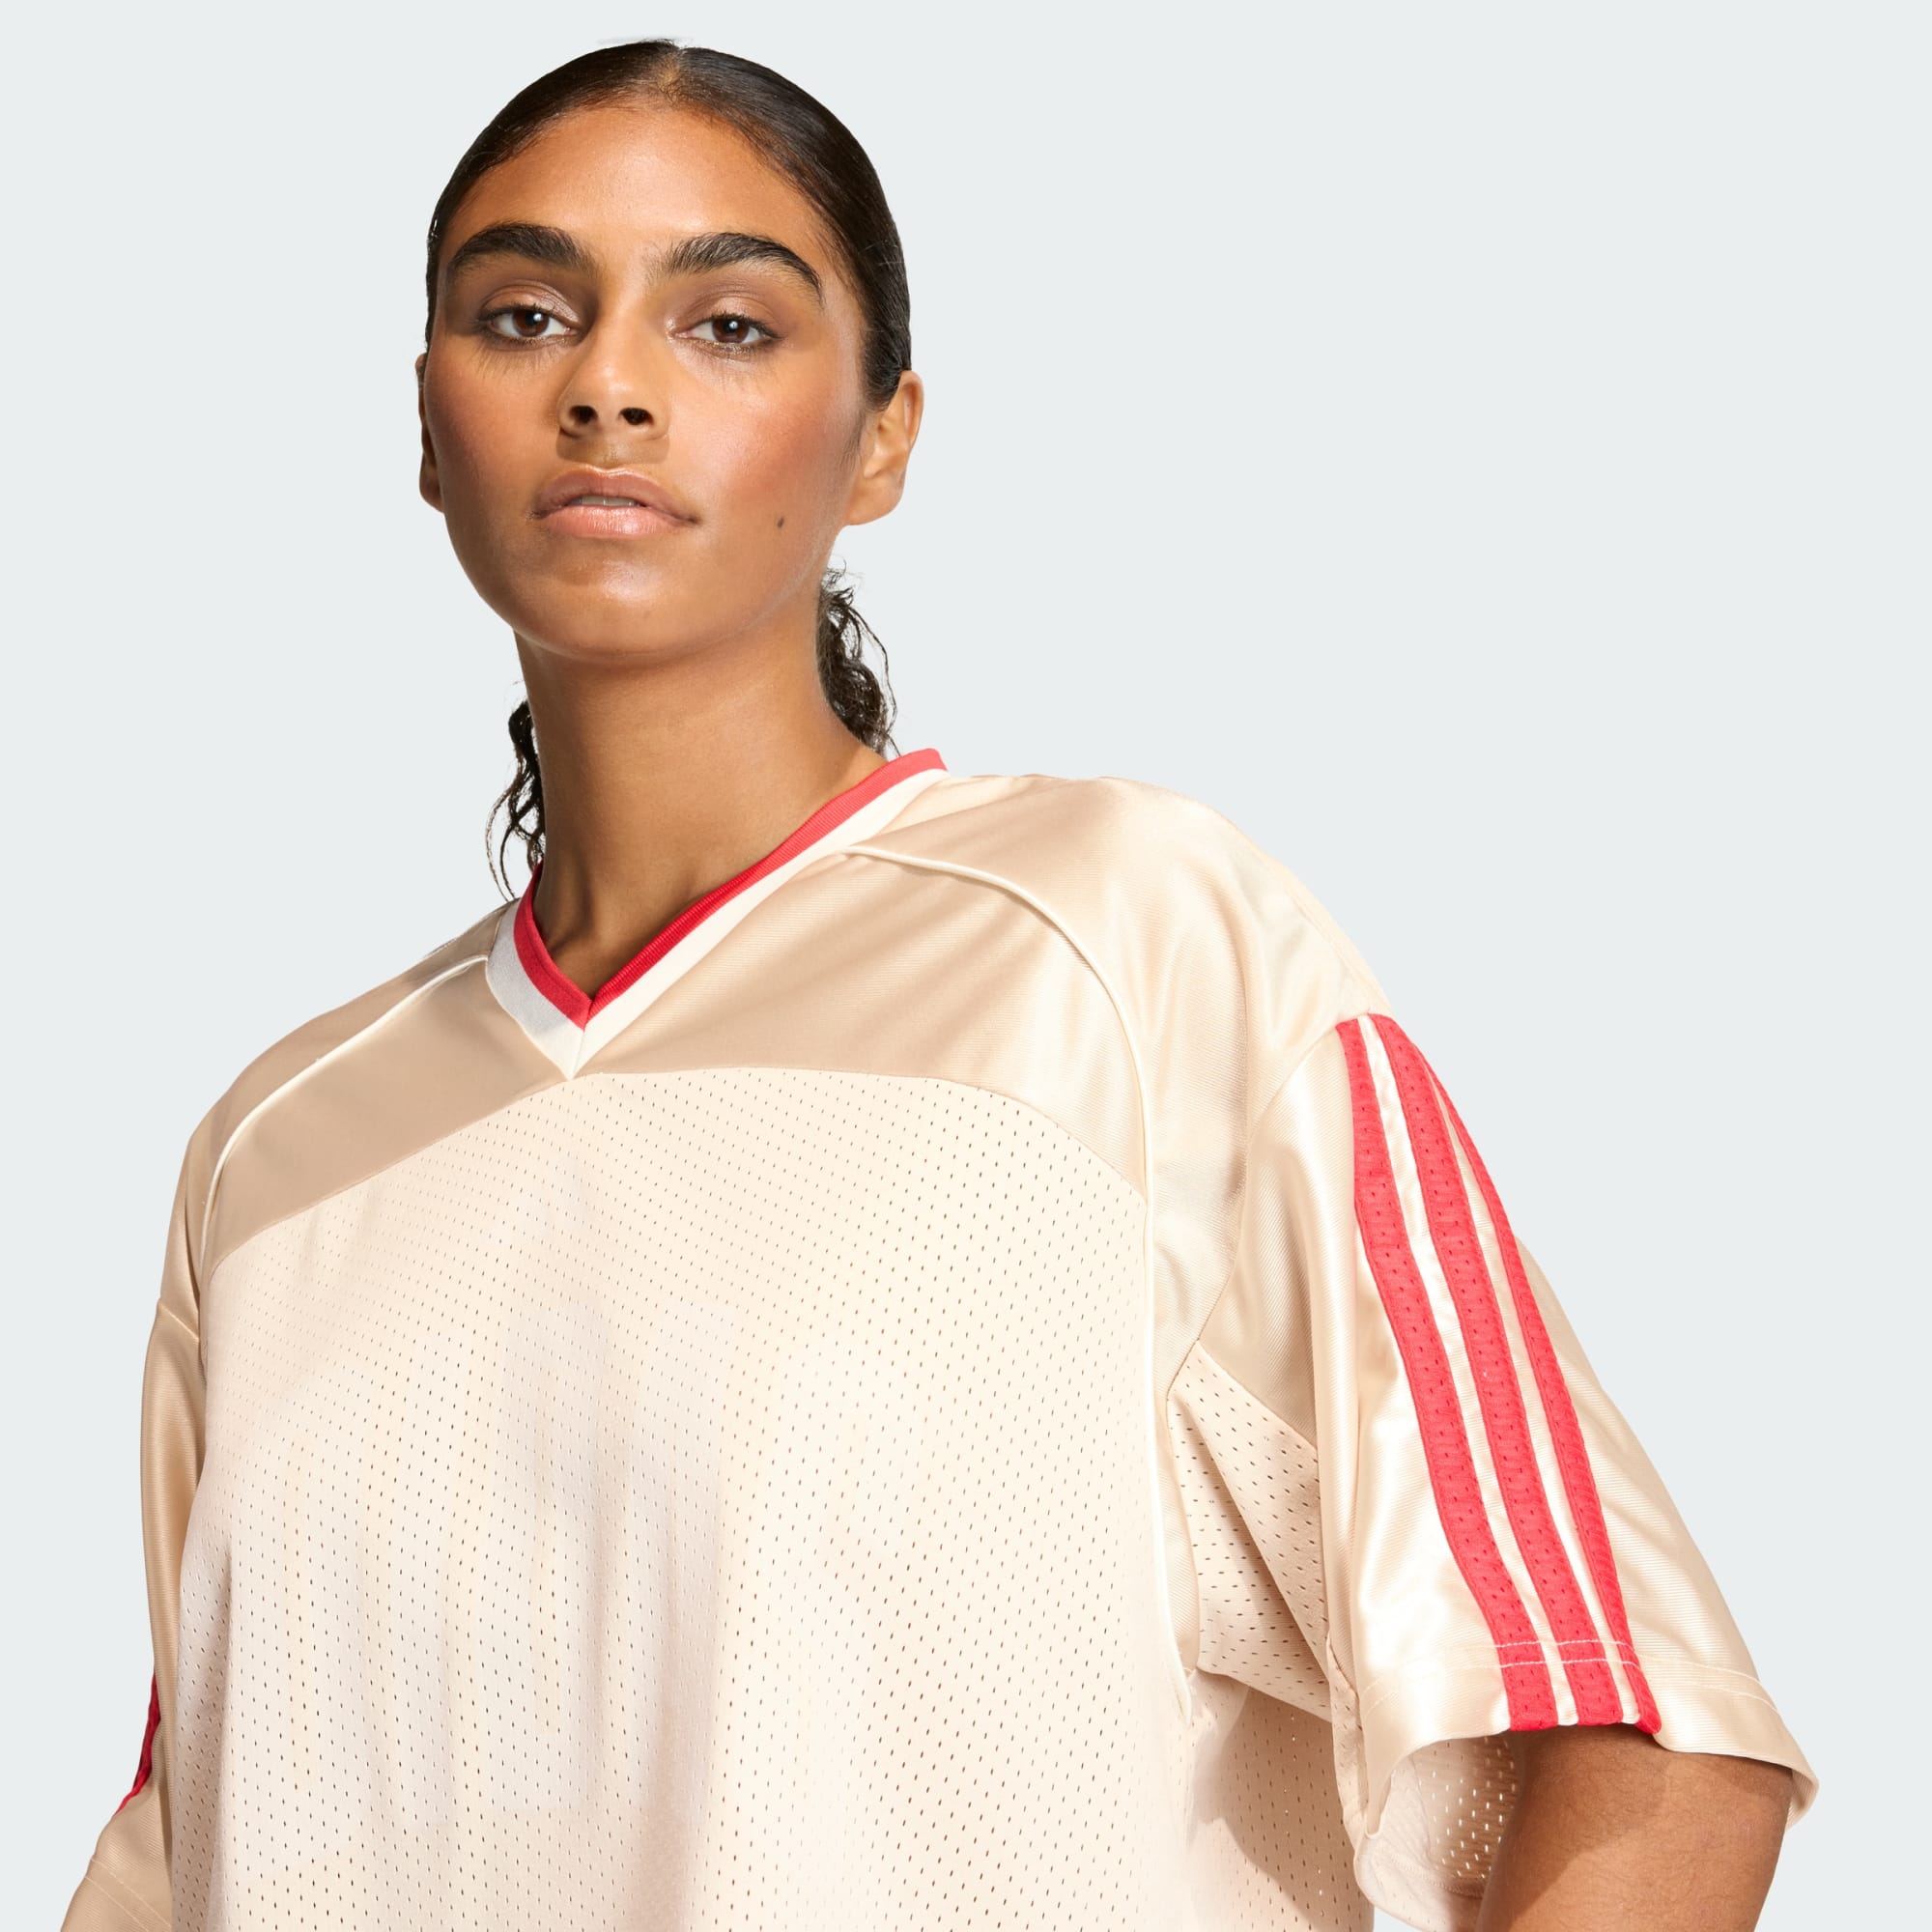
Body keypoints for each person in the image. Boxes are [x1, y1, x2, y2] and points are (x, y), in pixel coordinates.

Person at [61, 38, 1816, 1932]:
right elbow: (187, 1844)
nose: (607, 386)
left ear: (884, 437)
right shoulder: (278, 1151)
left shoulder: (1134, 946)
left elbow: (1639, 1737)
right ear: (428, 423)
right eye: (524, 314)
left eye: (727, 324)